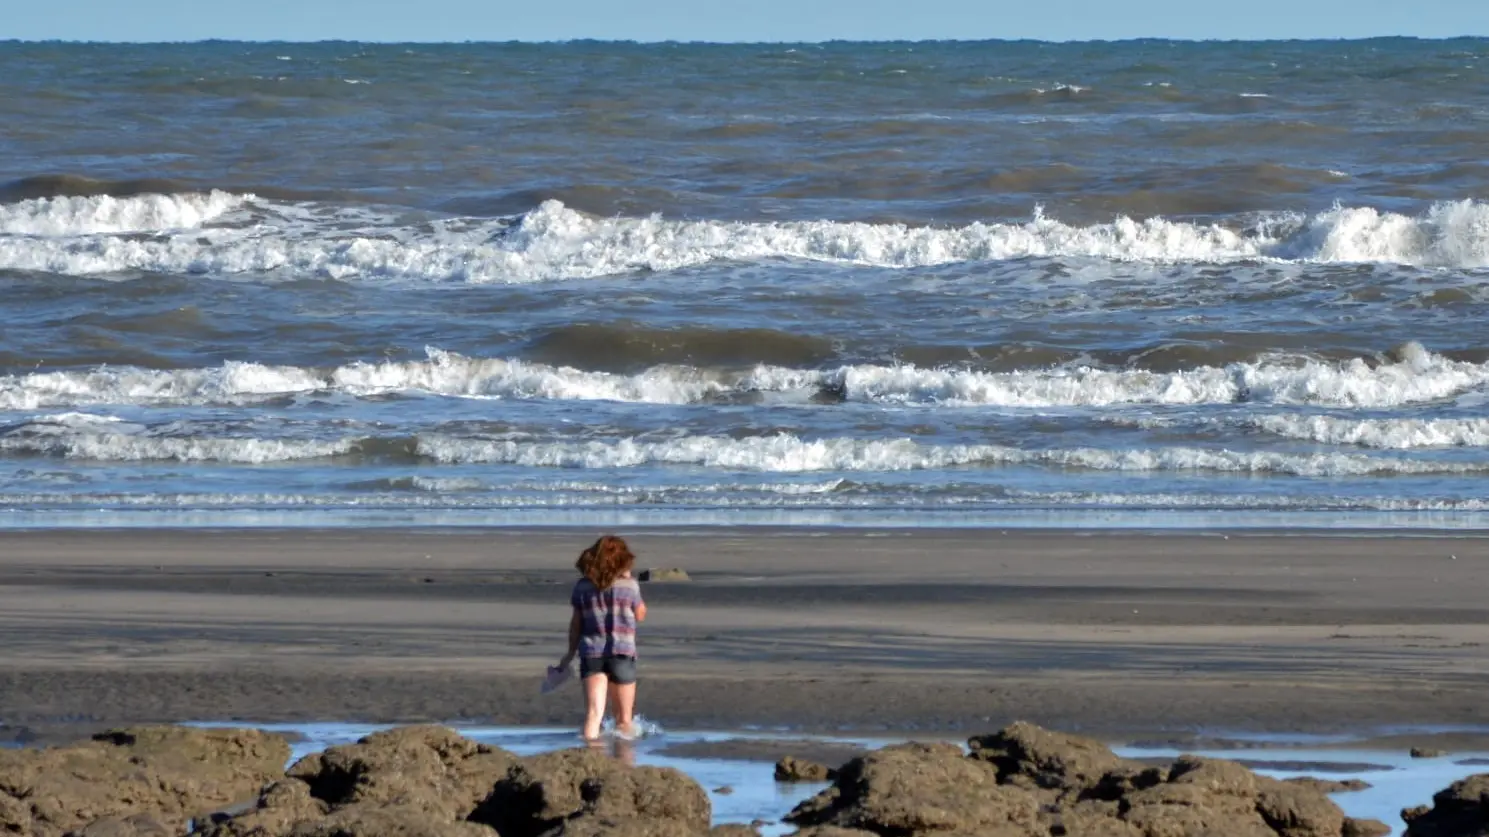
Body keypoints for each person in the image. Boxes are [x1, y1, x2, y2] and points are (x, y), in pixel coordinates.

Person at [558, 534, 648, 740]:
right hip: (622, 652)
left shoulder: (582, 587)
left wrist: (570, 652)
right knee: (624, 719)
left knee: (593, 715)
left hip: (592, 652)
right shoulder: (629, 586)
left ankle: (589, 754)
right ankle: (624, 763)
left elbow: (576, 624)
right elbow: (641, 614)